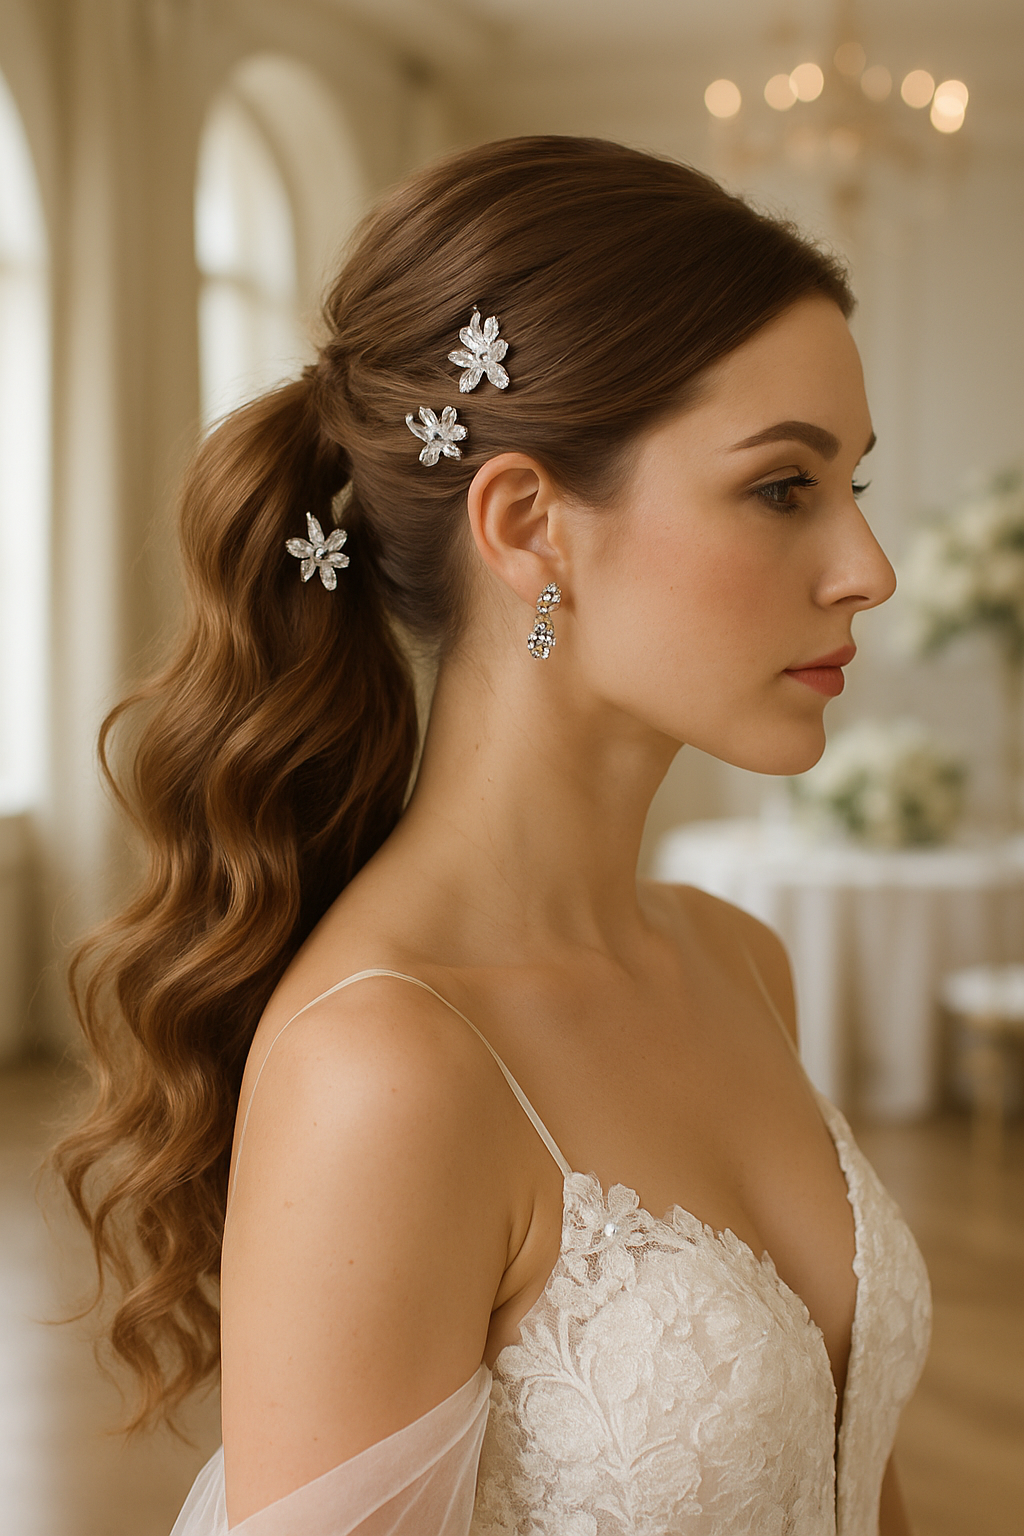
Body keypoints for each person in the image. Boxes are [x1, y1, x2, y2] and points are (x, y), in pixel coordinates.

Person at [55, 136, 931, 1535]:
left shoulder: (740, 960)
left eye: (854, 488)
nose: (868, 571)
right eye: (784, 488)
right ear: (529, 526)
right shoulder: (387, 1069)